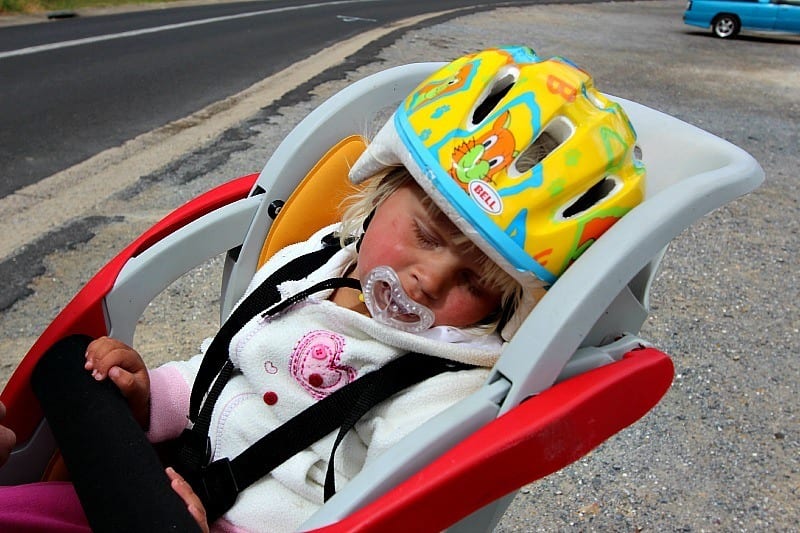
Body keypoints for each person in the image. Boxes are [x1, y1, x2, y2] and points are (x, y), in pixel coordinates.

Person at [0, 46, 645, 532]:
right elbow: (222, 366)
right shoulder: (311, 265)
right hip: (159, 480)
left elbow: (375, 517)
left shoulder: (447, 385)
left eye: (475, 281)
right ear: (378, 192)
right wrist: (147, 401)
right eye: (423, 234)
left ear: (509, 307)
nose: (428, 278)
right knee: (73, 367)